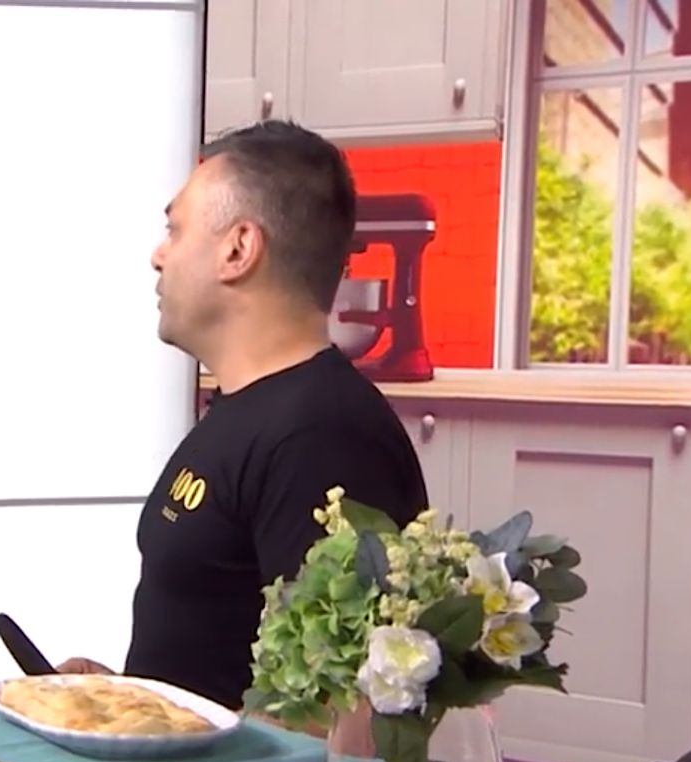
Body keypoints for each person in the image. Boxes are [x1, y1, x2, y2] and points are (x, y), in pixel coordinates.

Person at [59, 120, 430, 711]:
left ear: (238, 249)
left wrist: (154, 726)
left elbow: (335, 713)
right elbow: (219, 662)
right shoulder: (247, 409)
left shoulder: (323, 438)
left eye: (175, 230)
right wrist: (126, 699)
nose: (157, 256)